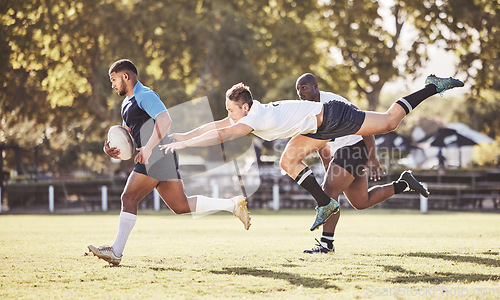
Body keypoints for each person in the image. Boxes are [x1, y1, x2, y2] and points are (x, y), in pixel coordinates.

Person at [160, 75, 463, 231]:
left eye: (232, 110)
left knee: (388, 122)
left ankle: (431, 88)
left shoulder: (249, 119)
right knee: (287, 161)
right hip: (315, 129)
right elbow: (220, 124)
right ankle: (326, 205)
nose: (229, 115)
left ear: (245, 107)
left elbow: (223, 133)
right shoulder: (246, 114)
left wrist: (185, 146)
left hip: (332, 117)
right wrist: (185, 134)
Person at [87, 59, 251, 266]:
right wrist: (111, 149)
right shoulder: (126, 103)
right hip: (160, 155)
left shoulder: (145, 95)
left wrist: (147, 147)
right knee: (180, 205)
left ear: (126, 77)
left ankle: (116, 252)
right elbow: (127, 135)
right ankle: (233, 204)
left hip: (156, 154)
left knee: (128, 197)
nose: (112, 84)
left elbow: (165, 120)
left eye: (114, 79)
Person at [295, 73, 429, 254]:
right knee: (360, 201)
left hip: (354, 147)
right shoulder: (310, 111)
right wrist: (330, 169)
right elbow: (321, 144)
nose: (300, 92)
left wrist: (373, 157)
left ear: (316, 87)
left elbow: (365, 125)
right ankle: (403, 184)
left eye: (304, 88)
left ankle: (326, 245)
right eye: (298, 89)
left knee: (329, 192)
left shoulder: (331, 102)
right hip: (346, 151)